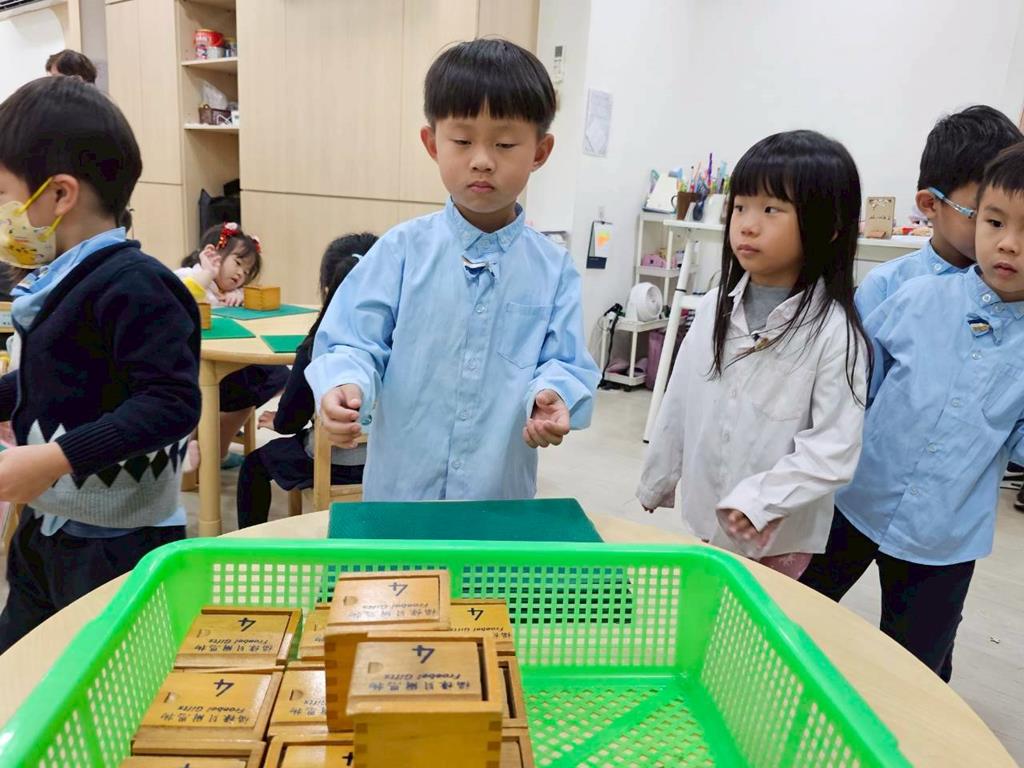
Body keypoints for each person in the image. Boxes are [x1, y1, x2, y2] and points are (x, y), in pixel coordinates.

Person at [305, 38, 599, 501]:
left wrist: (554, 396)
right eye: (462, 141)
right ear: (432, 143)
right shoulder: (400, 251)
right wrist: (344, 383)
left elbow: (564, 361)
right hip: (401, 496)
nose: (482, 160)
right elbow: (353, 341)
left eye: (505, 143)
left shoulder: (553, 269)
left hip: (497, 496)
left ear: (540, 152)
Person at [800, 143, 1024, 682]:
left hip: (943, 536)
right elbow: (855, 388)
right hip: (857, 498)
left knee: (917, 669)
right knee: (796, 615)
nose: (1008, 243)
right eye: (994, 222)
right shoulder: (917, 298)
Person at [0, 77, 200, 651]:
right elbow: (58, 379)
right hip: (49, 524)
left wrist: (52, 459)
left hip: (117, 543)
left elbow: (170, 403)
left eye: (4, 194)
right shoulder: (58, 280)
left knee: (108, 672)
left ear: (60, 194)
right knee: (24, 662)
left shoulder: (137, 285)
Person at [638, 130, 870, 579]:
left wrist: (761, 501)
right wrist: (658, 478)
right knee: (705, 609)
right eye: (740, 206)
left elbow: (833, 448)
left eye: (771, 210)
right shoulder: (713, 308)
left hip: (777, 539)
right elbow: (680, 400)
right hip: (708, 519)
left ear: (829, 225)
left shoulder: (834, 334)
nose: (747, 224)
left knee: (755, 617)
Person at [236, 233, 376, 528]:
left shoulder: (316, 348)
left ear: (327, 288)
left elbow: (291, 421)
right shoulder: (402, 344)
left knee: (253, 465)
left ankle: (246, 543)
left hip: (333, 464)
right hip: (389, 463)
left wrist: (278, 422)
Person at [855, 105, 1021, 319]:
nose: (1007, 241)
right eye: (993, 219)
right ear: (930, 204)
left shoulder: (1013, 282)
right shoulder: (885, 287)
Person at [176, 223, 288, 468]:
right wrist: (206, 274)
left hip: (219, 368)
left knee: (265, 379)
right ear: (211, 253)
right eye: (238, 263)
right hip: (187, 369)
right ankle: (206, 450)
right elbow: (181, 301)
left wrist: (240, 298)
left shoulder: (227, 292)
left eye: (247, 271)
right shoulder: (187, 276)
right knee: (250, 387)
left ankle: (216, 448)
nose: (241, 274)